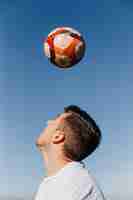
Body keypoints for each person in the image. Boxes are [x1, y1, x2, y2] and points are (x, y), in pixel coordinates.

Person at [35, 105, 105, 200]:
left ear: (58, 136)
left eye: (54, 120)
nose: (48, 122)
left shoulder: (74, 184)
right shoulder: (58, 181)